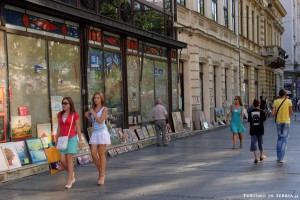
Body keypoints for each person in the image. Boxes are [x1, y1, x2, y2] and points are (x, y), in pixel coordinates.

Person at [56, 97, 83, 189]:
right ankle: (72, 174)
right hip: (62, 139)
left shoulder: (74, 115)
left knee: (69, 159)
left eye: (66, 103)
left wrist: (80, 140)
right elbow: (59, 128)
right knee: (63, 161)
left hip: (71, 138)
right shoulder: (59, 114)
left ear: (70, 104)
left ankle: (69, 180)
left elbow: (78, 128)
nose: (63, 105)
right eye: (63, 103)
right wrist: (56, 139)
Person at [85, 92, 111, 185]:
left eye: (98, 98)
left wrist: (93, 113)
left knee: (101, 153)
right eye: (95, 98)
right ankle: (101, 172)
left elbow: (100, 121)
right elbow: (88, 116)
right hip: (95, 133)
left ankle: (102, 175)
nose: (96, 99)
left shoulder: (105, 109)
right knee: (93, 153)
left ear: (101, 99)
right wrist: (89, 116)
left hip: (102, 132)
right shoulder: (93, 109)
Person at [272, 89, 293, 163]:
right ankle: (282, 157)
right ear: (285, 94)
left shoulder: (275, 101)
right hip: (286, 122)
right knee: (284, 140)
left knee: (279, 139)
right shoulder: (289, 101)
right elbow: (291, 112)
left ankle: (278, 156)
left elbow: (273, 113)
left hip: (279, 121)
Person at [248, 99, 267, 164]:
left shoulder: (250, 112)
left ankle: (256, 158)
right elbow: (264, 120)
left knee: (254, 143)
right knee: (261, 143)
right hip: (260, 129)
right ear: (259, 104)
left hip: (253, 130)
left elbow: (249, 121)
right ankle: (261, 156)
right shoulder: (262, 112)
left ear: (253, 104)